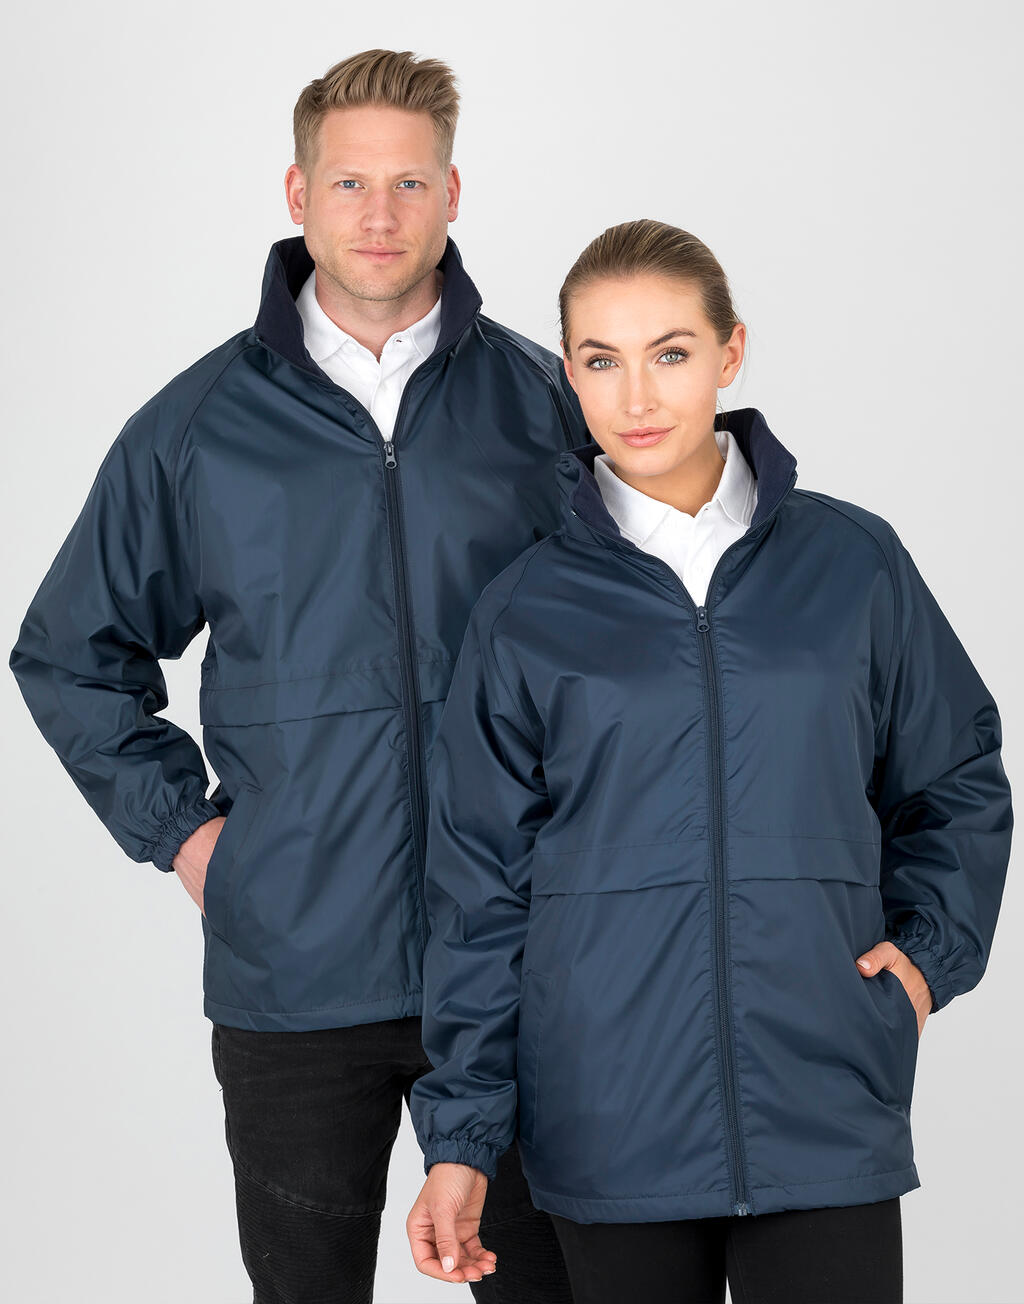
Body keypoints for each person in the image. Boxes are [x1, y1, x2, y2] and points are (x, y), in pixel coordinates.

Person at [9, 49, 589, 1304]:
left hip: (515, 968)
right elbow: (70, 651)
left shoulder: (543, 408)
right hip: (294, 979)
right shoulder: (199, 426)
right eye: (348, 183)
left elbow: (631, 655)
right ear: (297, 192)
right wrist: (188, 837)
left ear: (451, 194)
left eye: (408, 183)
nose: (379, 215)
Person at [404, 218, 1013, 1302]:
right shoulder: (525, 609)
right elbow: (479, 892)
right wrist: (460, 1136)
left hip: (822, 1102)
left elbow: (955, 777)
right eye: (601, 360)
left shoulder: (852, 562)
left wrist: (926, 958)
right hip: (606, 1115)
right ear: (570, 377)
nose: (637, 396)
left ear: (730, 354)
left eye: (671, 352)